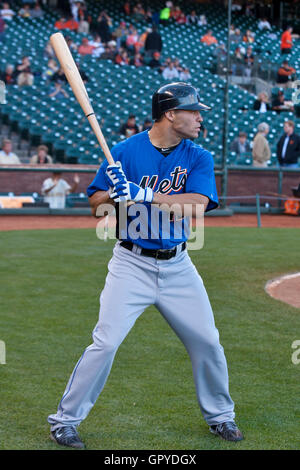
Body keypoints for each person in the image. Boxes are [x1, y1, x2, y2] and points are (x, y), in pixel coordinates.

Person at [47, 82, 243, 449]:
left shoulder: (198, 156)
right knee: (105, 344)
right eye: (194, 111)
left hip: (178, 265)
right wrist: (114, 195)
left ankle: (221, 416)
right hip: (130, 264)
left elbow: (197, 206)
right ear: (171, 113)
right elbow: (96, 207)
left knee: (207, 341)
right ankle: (65, 421)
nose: (200, 118)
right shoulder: (123, 152)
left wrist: (143, 193)